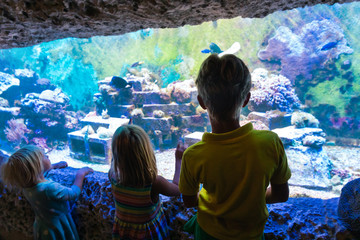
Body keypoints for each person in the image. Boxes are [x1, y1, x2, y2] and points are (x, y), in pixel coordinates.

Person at [179, 54, 291, 240]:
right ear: (246, 99)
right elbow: (281, 194)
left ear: (201, 102)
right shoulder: (271, 142)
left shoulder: (193, 155)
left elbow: (189, 201)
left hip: (208, 234)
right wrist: (249, 200)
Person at [1, 145, 93, 240]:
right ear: (37, 166)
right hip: (58, 227)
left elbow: (36, 175)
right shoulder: (49, 188)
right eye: (44, 156)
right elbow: (73, 193)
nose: (48, 157)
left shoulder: (26, 186)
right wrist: (80, 174)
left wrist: (52, 166)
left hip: (43, 226)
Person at [109, 125, 185, 240]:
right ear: (147, 152)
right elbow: (178, 188)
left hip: (124, 234)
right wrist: (179, 160)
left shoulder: (113, 175)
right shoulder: (154, 183)